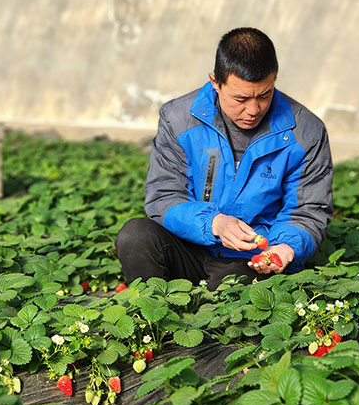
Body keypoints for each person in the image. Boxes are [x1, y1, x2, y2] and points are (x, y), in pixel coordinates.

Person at [116, 27, 333, 290]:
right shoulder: (178, 119)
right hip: (191, 247)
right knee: (135, 236)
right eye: (240, 98)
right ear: (215, 83)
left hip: (255, 262)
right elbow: (164, 198)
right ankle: (156, 315)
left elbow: (308, 213)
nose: (253, 110)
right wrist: (214, 224)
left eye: (264, 95)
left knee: (228, 287)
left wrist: (284, 248)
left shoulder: (306, 131)